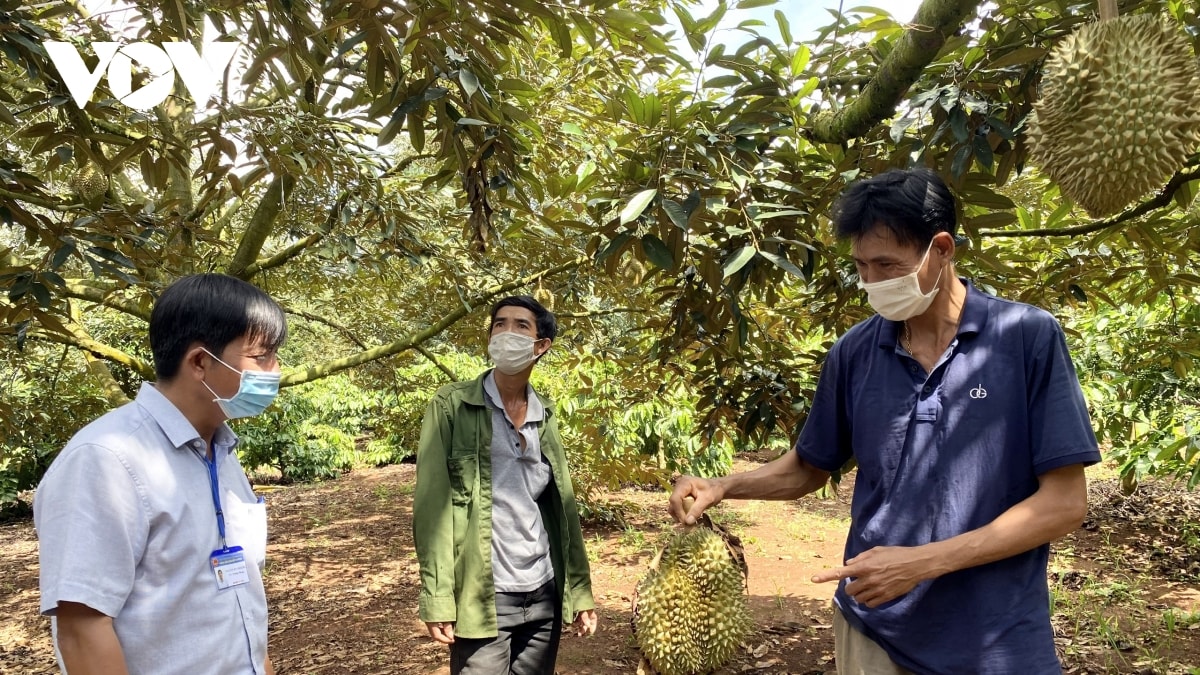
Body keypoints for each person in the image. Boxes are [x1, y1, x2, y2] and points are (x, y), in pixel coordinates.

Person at [669, 168, 1100, 675]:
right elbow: (809, 467)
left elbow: (1064, 504)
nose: (872, 281)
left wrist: (923, 562)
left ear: (942, 249)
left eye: (887, 265)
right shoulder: (855, 352)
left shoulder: (1025, 338)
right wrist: (723, 485)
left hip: (997, 637)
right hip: (874, 628)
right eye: (861, 266)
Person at [35, 273, 286, 675]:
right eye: (262, 357)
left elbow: (239, 595)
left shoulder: (221, 450)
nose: (276, 370)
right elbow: (82, 626)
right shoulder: (106, 460)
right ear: (201, 362)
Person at [414, 295, 598, 674]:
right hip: (484, 593)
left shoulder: (544, 414)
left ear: (541, 345)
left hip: (542, 588)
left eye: (520, 326)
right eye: (499, 324)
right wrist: (438, 597)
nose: (506, 332)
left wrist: (579, 592)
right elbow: (432, 509)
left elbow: (563, 508)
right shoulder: (452, 405)